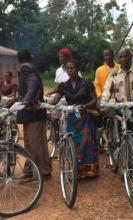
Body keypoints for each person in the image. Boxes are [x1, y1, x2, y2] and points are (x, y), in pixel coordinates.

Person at [101, 48, 133, 182]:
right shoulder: (114, 75)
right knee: (123, 141)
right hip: (120, 111)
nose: (124, 59)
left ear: (131, 57)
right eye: (121, 56)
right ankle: (126, 170)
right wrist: (104, 102)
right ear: (119, 59)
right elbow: (106, 91)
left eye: (126, 56)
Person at [51, 59, 99, 178]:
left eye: (72, 68)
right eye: (67, 68)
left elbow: (94, 99)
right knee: (73, 142)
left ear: (77, 69)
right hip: (71, 118)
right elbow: (55, 99)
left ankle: (89, 171)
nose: (70, 70)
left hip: (85, 116)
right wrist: (45, 104)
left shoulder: (86, 82)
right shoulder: (64, 85)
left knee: (87, 143)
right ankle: (75, 169)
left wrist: (85, 106)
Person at [16, 49, 52, 180]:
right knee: (30, 144)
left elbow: (33, 85)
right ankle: (31, 170)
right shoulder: (31, 67)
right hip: (30, 113)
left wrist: (26, 101)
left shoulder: (25, 68)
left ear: (19, 59)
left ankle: (43, 171)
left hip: (33, 112)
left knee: (36, 144)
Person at [95, 49, 120, 151]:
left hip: (118, 98)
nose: (108, 57)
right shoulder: (99, 70)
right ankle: (105, 138)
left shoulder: (119, 67)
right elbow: (97, 85)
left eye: (109, 55)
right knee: (104, 120)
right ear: (103, 57)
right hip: (105, 99)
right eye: (105, 55)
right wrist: (100, 96)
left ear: (113, 55)